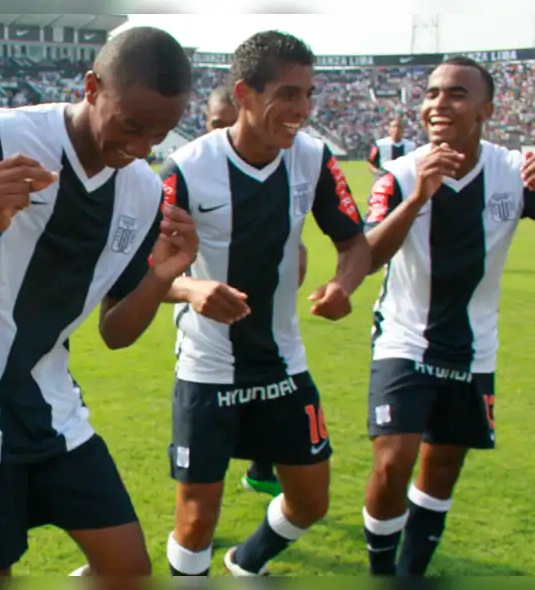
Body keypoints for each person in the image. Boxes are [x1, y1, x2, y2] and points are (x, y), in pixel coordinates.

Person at [0, 26, 198, 578]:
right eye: (132, 125)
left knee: (128, 571)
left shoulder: (145, 191)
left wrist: (163, 278)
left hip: (54, 413)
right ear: (91, 87)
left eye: (161, 132)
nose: (142, 147)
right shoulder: (1, 139)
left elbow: (116, 331)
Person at [361, 55, 535, 578]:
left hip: (473, 347)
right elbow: (362, 255)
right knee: (392, 459)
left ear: (485, 110)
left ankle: (411, 574)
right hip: (404, 338)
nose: (438, 104)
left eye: (455, 94)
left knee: (442, 465)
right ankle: (380, 570)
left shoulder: (513, 173)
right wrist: (417, 198)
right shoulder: (400, 175)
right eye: (431, 93)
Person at [158, 30, 372, 577]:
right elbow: (130, 272)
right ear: (246, 94)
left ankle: (246, 562)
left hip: (283, 363)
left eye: (308, 94)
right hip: (209, 367)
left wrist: (344, 284)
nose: (301, 109)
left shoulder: (315, 159)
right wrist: (190, 289)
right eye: (288, 94)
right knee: (197, 518)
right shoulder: (185, 168)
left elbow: (354, 242)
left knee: (311, 502)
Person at [203, 83, 309, 499]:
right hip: (208, 347)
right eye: (217, 125)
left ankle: (261, 468)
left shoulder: (290, 165)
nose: (227, 134)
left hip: (273, 335)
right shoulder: (192, 171)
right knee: (198, 497)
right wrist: (189, 286)